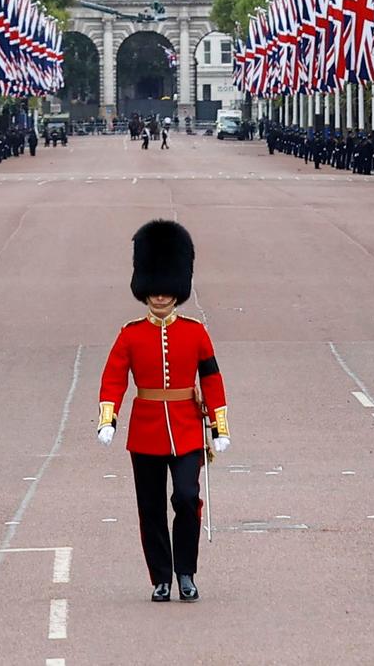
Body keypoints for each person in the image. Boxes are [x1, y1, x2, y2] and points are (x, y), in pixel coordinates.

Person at [97, 220, 229, 604]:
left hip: (187, 428)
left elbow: (212, 379)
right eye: (154, 290)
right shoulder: (130, 334)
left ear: (178, 289)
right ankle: (161, 577)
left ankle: (185, 571)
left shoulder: (195, 332)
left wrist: (219, 426)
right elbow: (113, 377)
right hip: (146, 432)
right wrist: (109, 418)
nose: (160, 297)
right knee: (150, 509)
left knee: (187, 497)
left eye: (166, 290)